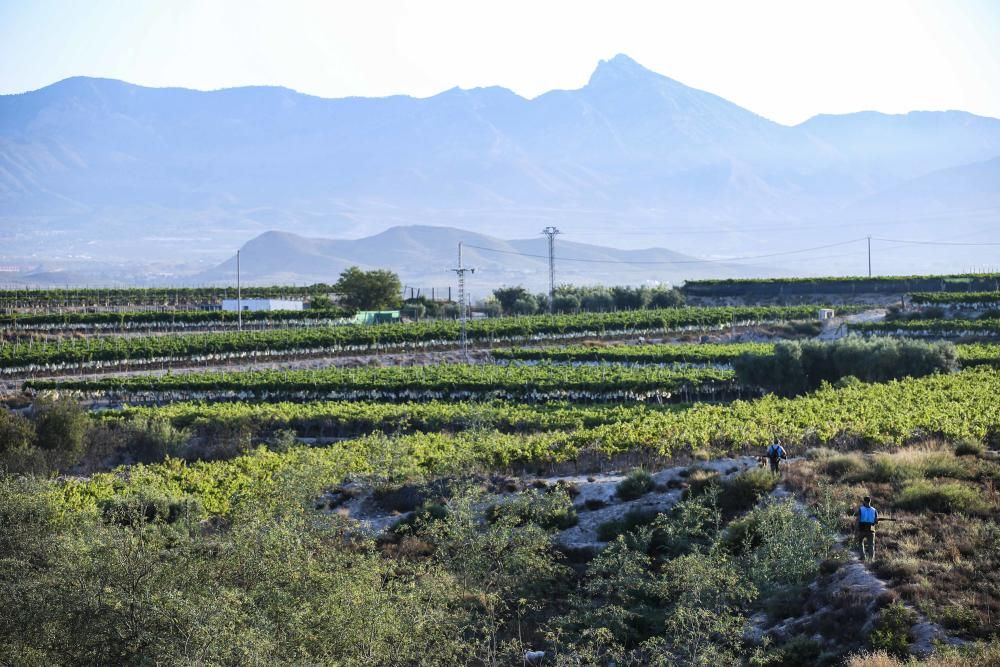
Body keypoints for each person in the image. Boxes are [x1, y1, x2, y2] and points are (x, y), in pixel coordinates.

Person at [857, 496, 879, 561]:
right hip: (871, 529)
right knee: (871, 545)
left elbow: (858, 520)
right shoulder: (874, 510)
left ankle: (863, 557)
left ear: (864, 501)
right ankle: (871, 559)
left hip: (862, 528)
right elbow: (876, 522)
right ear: (870, 501)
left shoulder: (861, 509)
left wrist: (856, 529)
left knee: (860, 542)